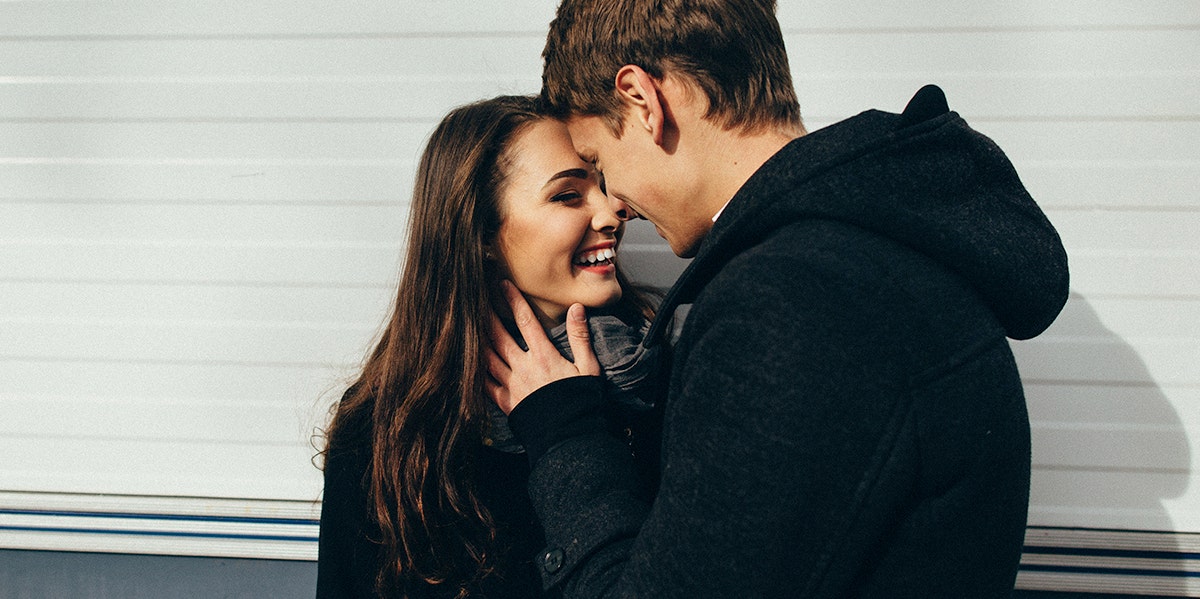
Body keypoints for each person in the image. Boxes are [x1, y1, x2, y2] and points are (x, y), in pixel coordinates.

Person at [484, 1, 1071, 597]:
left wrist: (565, 436)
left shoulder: (790, 302)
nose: (618, 201)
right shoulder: (889, 246)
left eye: (598, 161)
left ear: (642, 100)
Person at [316, 95, 661, 599]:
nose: (613, 213)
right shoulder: (386, 427)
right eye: (568, 195)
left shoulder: (661, 381)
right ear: (481, 234)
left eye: (604, 185)